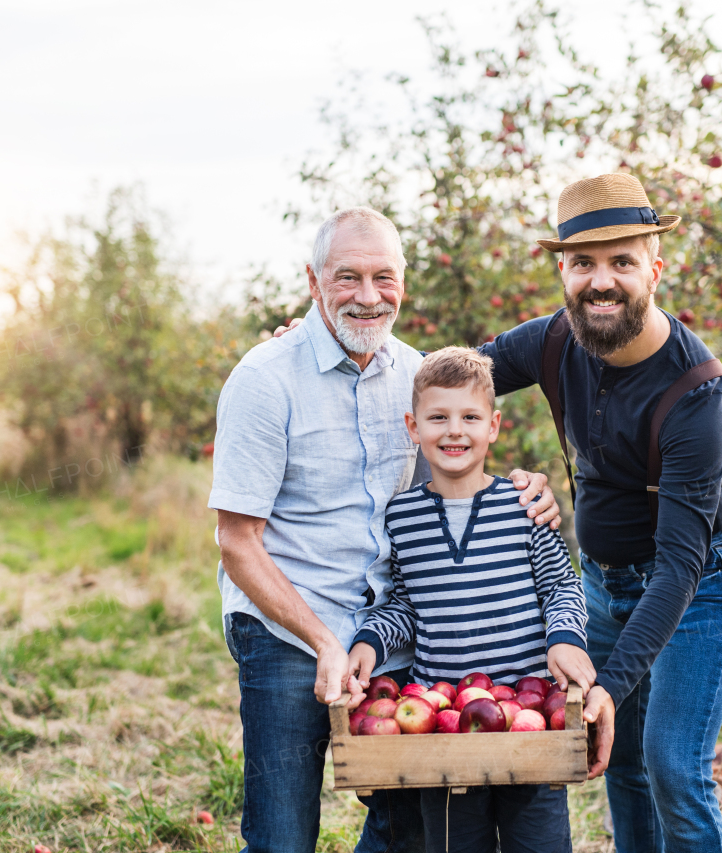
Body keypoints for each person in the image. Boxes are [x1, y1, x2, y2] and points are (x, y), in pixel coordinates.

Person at [208, 207, 561, 853]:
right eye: (347, 278)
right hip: (290, 629)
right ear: (313, 282)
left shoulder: (414, 373)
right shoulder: (264, 380)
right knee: (283, 830)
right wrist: (321, 640)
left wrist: (524, 489)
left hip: (391, 633)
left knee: (410, 828)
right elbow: (237, 541)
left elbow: (458, 453)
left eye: (383, 277)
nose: (368, 297)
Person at [479, 173, 722, 853]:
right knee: (619, 764)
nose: (601, 282)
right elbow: (440, 382)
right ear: (562, 271)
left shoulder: (695, 388)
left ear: (654, 270)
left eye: (622, 262)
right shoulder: (550, 343)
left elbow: (680, 565)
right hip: (602, 583)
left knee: (671, 766)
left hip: (695, 588)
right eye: (583, 264)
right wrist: (353, 356)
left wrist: (612, 682)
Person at [346, 346, 597, 853]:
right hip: (443, 727)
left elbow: (561, 586)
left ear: (494, 426)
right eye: (437, 417)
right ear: (413, 427)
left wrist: (566, 639)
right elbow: (404, 607)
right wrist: (369, 643)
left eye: (470, 417)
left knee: (538, 844)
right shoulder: (402, 517)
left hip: (531, 723)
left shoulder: (524, 505)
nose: (454, 431)